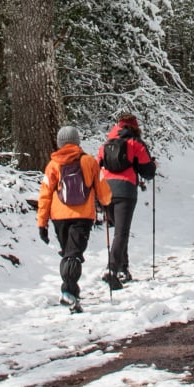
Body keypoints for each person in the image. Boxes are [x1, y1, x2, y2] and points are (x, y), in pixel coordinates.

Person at [37, 125, 111, 313]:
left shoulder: (53, 164)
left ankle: (72, 293)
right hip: (82, 216)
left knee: (68, 253)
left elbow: (45, 195)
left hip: (59, 216)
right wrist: (108, 207)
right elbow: (102, 189)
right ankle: (68, 292)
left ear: (59, 142)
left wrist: (42, 223)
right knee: (73, 254)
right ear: (77, 141)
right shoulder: (89, 161)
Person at [98, 113, 156, 289]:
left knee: (117, 231)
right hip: (126, 191)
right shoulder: (135, 143)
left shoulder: (106, 144)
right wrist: (152, 165)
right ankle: (112, 268)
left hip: (106, 190)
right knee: (121, 232)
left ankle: (123, 269)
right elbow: (148, 171)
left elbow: (97, 164)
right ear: (135, 126)